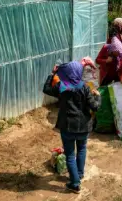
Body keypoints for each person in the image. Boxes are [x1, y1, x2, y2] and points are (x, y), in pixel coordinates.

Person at [43, 61, 101, 194]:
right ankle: (79, 174)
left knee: (70, 154)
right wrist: (98, 97)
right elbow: (95, 107)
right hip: (83, 126)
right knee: (81, 149)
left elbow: (46, 89)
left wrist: (52, 74)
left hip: (67, 126)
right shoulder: (85, 87)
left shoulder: (61, 87)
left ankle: (75, 184)